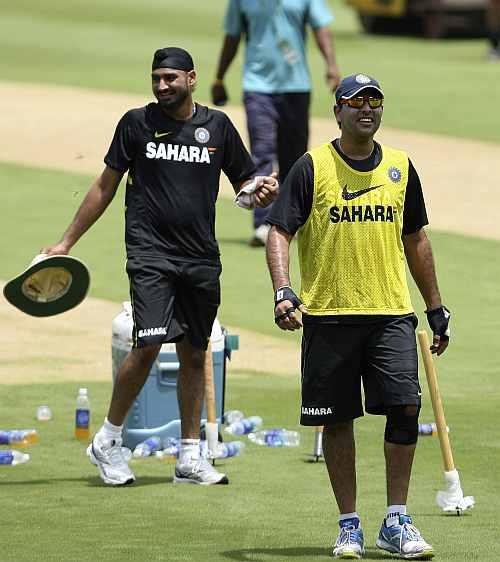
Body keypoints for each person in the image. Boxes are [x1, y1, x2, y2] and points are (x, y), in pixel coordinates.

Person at [42, 47, 278, 487]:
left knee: (194, 352)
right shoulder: (136, 124)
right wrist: (65, 242)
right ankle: (108, 441)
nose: (162, 85)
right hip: (151, 254)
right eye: (156, 78)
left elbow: (245, 181)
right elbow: (104, 186)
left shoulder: (218, 128)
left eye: (170, 77)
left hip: (201, 256)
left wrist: (258, 191)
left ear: (191, 78)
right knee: (148, 344)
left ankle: (189, 456)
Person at [266, 73, 451, 559]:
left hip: (391, 312)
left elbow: (417, 240)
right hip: (329, 315)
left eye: (375, 102)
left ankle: (396, 519)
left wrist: (435, 307)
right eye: (356, 102)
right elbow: (279, 232)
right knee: (337, 419)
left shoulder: (400, 167)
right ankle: (349, 524)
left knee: (405, 409)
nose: (367, 110)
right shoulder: (312, 167)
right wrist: (284, 291)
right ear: (338, 111)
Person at [211, 0, 341, 247]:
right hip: (257, 86)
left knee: (294, 158)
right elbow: (233, 35)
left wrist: (332, 66)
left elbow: (321, 28)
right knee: (262, 151)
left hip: (297, 86)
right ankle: (264, 221)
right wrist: (220, 76)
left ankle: (292, 219)